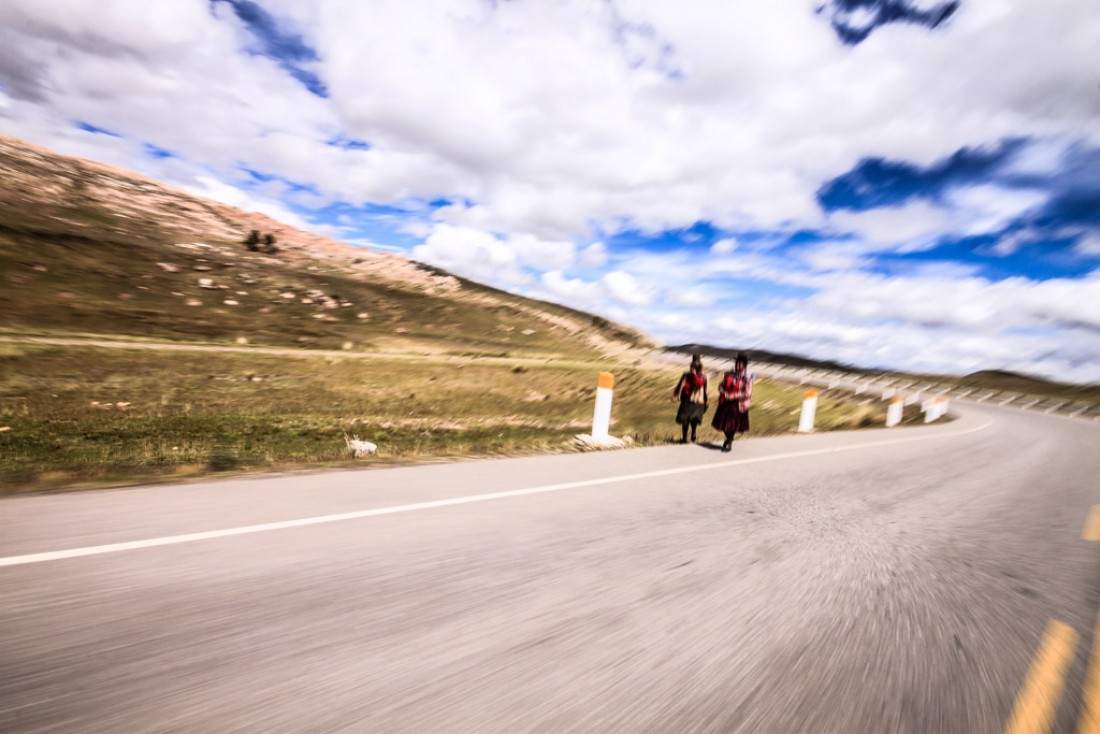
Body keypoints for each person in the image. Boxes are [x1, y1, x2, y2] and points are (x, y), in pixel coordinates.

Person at [712, 353, 753, 452]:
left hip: (737, 404)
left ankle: (729, 442)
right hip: (726, 402)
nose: (737, 365)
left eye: (740, 364)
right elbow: (721, 385)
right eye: (737, 363)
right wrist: (723, 392)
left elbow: (747, 393)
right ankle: (729, 439)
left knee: (731, 425)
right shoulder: (729, 374)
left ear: (744, 365)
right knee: (723, 424)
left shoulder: (747, 378)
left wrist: (732, 396)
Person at [673, 354, 708, 443]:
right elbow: (680, 384)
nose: (692, 369)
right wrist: (675, 393)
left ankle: (693, 435)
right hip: (686, 399)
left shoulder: (702, 377)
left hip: (697, 401)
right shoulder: (686, 375)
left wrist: (706, 401)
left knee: (694, 420)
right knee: (685, 420)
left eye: (694, 367)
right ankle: (684, 438)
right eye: (692, 367)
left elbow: (700, 385)